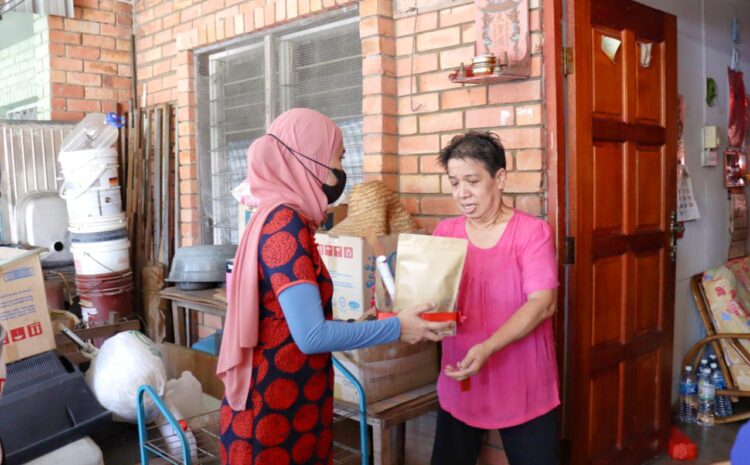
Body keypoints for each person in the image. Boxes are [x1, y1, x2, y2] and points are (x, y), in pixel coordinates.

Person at [216, 108, 453, 465]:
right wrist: (398, 327)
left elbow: (287, 320)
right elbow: (310, 335)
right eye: (338, 156)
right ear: (307, 158)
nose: (342, 170)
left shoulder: (275, 215)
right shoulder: (285, 224)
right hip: (275, 413)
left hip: (289, 398)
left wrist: (362, 324)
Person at [429, 131, 560, 465]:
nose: (462, 193)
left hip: (522, 382)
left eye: (472, 181)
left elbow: (543, 302)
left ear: (500, 178)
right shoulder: (446, 232)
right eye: (454, 182)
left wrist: (487, 347)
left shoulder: (532, 233)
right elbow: (433, 297)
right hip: (461, 374)